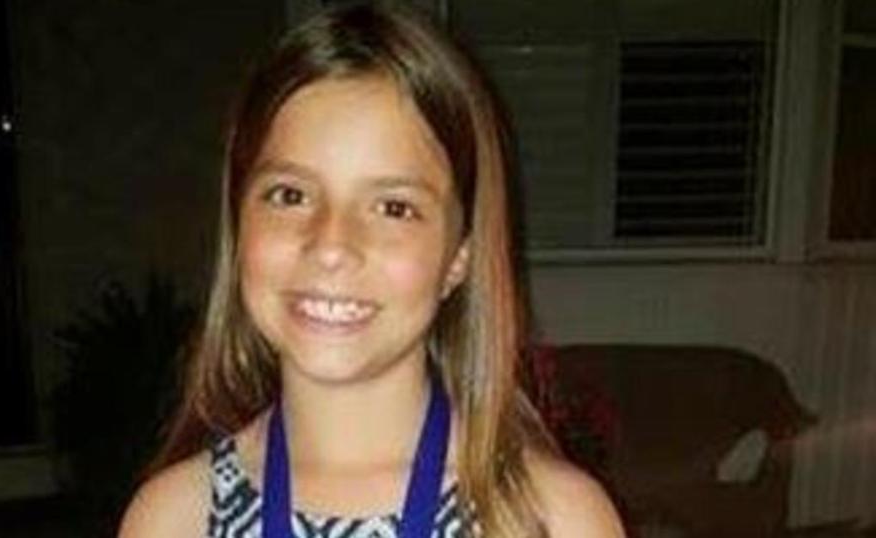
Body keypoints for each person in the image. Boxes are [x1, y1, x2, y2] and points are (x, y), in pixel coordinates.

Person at [119, 2, 624, 537]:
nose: (331, 245)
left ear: (459, 256)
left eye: (393, 207)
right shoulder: (174, 518)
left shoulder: (553, 519)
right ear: (239, 223)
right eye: (290, 195)